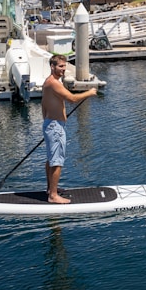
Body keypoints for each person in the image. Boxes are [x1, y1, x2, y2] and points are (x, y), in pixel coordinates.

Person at [42, 54, 97, 204]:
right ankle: (53, 196)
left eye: (65, 66)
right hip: (55, 126)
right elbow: (72, 99)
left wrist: (47, 124)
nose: (63, 69)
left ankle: (50, 189)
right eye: (60, 66)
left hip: (51, 124)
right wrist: (90, 93)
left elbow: (43, 105)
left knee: (51, 159)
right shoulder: (53, 83)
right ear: (52, 67)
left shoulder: (48, 82)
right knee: (57, 161)